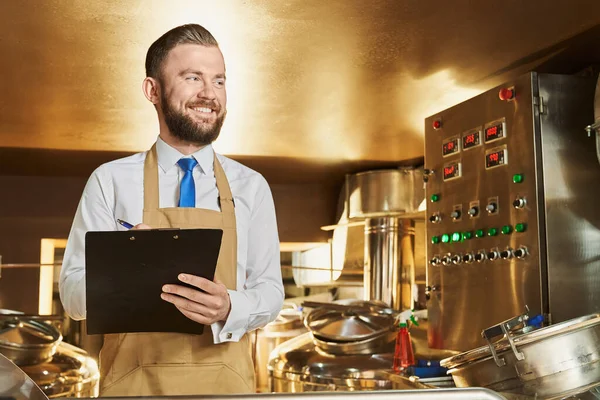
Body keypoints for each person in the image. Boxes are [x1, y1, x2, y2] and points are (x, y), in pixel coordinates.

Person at [59, 23, 284, 396]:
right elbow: (72, 297)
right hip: (133, 386)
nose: (209, 94)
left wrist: (229, 306)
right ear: (153, 90)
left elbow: (271, 292)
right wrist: (125, 266)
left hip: (226, 386)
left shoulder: (251, 186)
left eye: (219, 81)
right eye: (193, 77)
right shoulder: (109, 181)